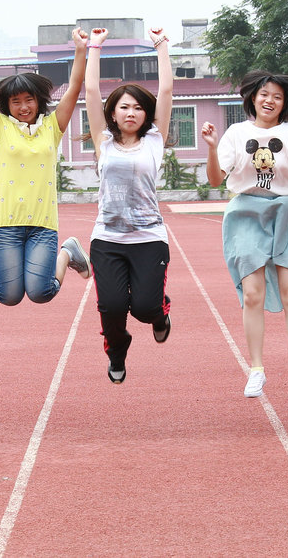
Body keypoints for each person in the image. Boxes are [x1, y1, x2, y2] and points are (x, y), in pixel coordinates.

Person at [202, 71, 288, 399]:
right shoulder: (237, 133)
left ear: (285, 103)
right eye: (264, 94)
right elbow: (215, 180)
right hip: (247, 214)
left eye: (277, 97)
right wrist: (212, 148)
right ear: (253, 98)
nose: (270, 101)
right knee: (252, 294)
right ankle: (256, 369)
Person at [0, 24, 91, 306]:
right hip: (5, 225)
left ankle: (68, 252)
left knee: (41, 293)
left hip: (43, 225)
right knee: (8, 296)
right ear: (7, 105)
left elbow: (74, 88)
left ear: (38, 101)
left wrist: (81, 50)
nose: (23, 107)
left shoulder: (52, 127)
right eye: (15, 102)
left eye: (28, 100)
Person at [84, 27, 173, 384]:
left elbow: (166, 90)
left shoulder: (155, 140)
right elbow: (91, 91)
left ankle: (160, 314)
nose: (131, 112)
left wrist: (161, 46)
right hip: (108, 238)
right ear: (113, 112)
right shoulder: (103, 141)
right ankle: (117, 351)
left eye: (138, 107)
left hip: (149, 237)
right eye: (124, 107)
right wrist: (94, 47)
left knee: (146, 307)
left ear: (146, 114)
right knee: (112, 307)